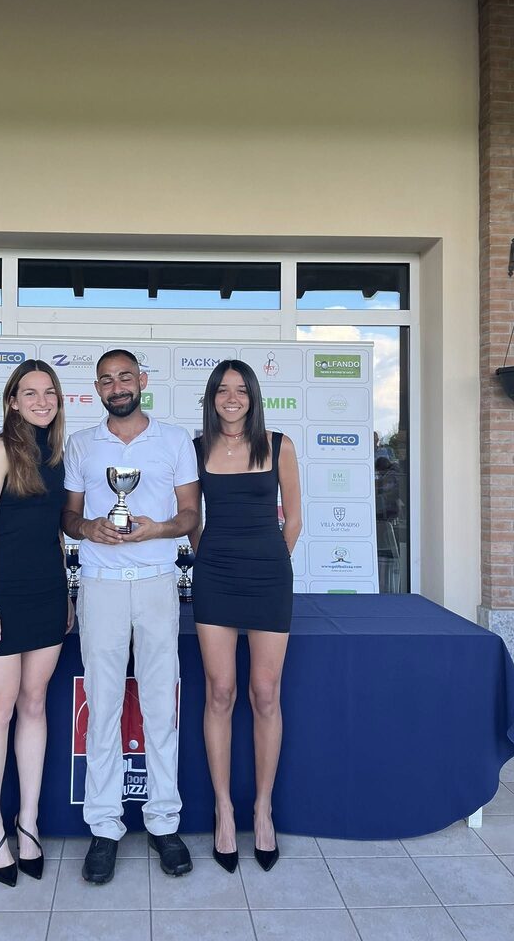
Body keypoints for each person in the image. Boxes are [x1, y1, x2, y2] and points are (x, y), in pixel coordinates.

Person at [62, 348, 200, 885]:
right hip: (100, 586)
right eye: (106, 380)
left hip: (157, 584)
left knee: (161, 704)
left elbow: (190, 514)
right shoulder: (81, 443)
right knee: (103, 708)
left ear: (142, 380)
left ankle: (164, 822)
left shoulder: (175, 440)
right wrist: (88, 528)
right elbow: (69, 516)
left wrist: (157, 529)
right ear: (97, 388)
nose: (116, 387)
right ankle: (104, 827)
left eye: (125, 377)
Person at [190, 359, 302, 873]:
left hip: (268, 579)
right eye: (222, 390)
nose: (231, 398)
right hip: (215, 577)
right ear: (212, 397)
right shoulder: (196, 449)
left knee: (265, 694)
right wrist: (210, 557)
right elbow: (191, 518)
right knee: (220, 692)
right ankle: (223, 810)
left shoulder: (279, 445)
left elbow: (293, 519)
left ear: (254, 397)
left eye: (241, 390)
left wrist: (271, 561)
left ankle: (262, 810)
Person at [0, 359, 71, 887]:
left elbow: (54, 533)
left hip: (47, 594)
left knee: (34, 704)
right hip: (2, 598)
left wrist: (66, 593)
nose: (41, 401)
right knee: (0, 708)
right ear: (12, 401)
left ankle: (27, 822)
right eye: (29, 393)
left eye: (48, 392)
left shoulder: (57, 455)